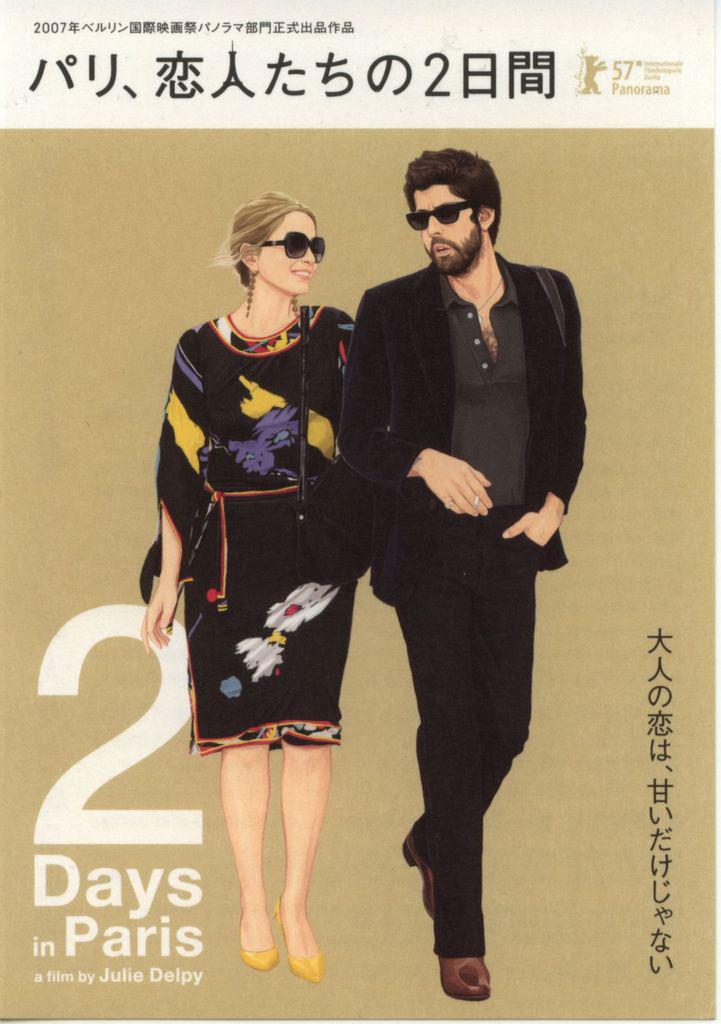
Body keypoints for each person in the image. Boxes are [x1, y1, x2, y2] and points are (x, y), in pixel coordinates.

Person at [338, 148, 586, 1001]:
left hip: (514, 538)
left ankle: (432, 840)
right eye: (418, 218)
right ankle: (459, 939)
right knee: (448, 729)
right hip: (429, 550)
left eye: (444, 214)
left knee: (507, 726)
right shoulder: (390, 308)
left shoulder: (548, 294)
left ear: (485, 215)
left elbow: (567, 411)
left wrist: (553, 503)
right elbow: (357, 437)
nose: (430, 231)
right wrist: (422, 459)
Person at [140, 192, 357, 984]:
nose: (307, 257)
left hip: (315, 555)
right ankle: (252, 901)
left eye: (314, 244)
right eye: (291, 243)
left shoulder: (337, 334)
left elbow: (377, 431)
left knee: (308, 733)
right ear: (249, 255)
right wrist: (167, 581)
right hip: (227, 553)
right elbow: (177, 463)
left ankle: (296, 903)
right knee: (241, 738)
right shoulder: (200, 347)